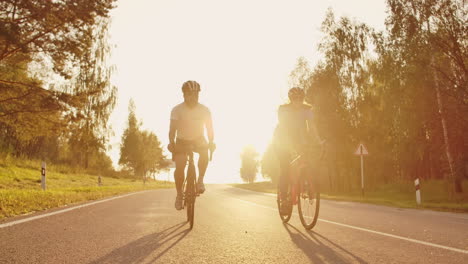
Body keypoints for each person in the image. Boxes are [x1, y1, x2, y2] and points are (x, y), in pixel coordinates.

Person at [273, 87, 324, 215]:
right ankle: (284, 199)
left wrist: (318, 142)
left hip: (299, 142)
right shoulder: (283, 110)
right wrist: (290, 148)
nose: (298, 102)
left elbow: (312, 127)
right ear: (291, 99)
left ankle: (307, 186)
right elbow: (283, 129)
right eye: (295, 99)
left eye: (300, 99)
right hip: (282, 142)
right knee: (285, 168)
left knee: (308, 162)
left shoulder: (307, 110)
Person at [168, 80, 215, 210]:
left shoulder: (205, 110)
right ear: (184, 95)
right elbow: (172, 130)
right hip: (182, 141)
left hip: (199, 139)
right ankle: (179, 195)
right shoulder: (177, 110)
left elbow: (210, 129)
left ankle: (200, 180)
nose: (193, 97)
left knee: (204, 153)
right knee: (180, 165)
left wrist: (211, 142)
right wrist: (171, 143)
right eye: (190, 94)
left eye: (196, 94)